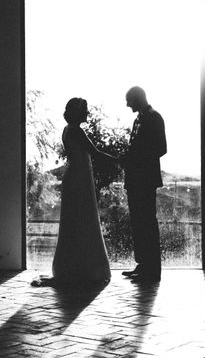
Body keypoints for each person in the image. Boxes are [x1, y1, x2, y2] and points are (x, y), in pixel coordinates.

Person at [35, 98, 115, 287]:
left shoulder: (67, 129)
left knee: (74, 221)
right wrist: (119, 160)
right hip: (80, 177)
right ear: (78, 113)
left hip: (75, 176)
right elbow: (95, 152)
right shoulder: (77, 130)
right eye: (85, 110)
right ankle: (86, 267)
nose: (87, 114)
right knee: (84, 219)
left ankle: (72, 266)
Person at [120, 86, 167, 283]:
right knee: (138, 222)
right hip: (136, 178)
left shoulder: (154, 118)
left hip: (145, 179)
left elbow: (161, 148)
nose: (127, 104)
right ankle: (143, 264)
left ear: (138, 99)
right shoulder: (139, 119)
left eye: (129, 100)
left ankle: (152, 270)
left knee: (147, 222)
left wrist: (135, 159)